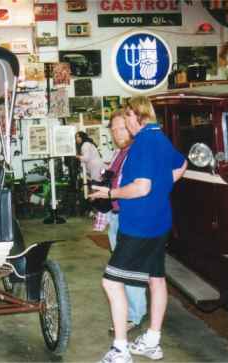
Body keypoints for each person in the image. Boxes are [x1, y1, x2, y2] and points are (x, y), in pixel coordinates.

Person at [89, 96, 187, 363]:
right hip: (160, 223)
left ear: (137, 116)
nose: (126, 123)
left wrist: (111, 192)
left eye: (127, 116)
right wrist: (163, 188)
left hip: (139, 227)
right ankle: (152, 342)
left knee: (111, 282)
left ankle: (120, 350)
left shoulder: (143, 141)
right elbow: (182, 164)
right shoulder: (160, 137)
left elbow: (141, 187)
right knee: (156, 280)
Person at [106, 111, 147, 334]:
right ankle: (133, 311)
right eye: (113, 129)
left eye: (121, 128)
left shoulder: (137, 152)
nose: (116, 133)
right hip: (117, 217)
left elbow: (141, 187)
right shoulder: (121, 152)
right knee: (124, 270)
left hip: (130, 219)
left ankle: (135, 315)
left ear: (131, 127)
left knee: (129, 269)